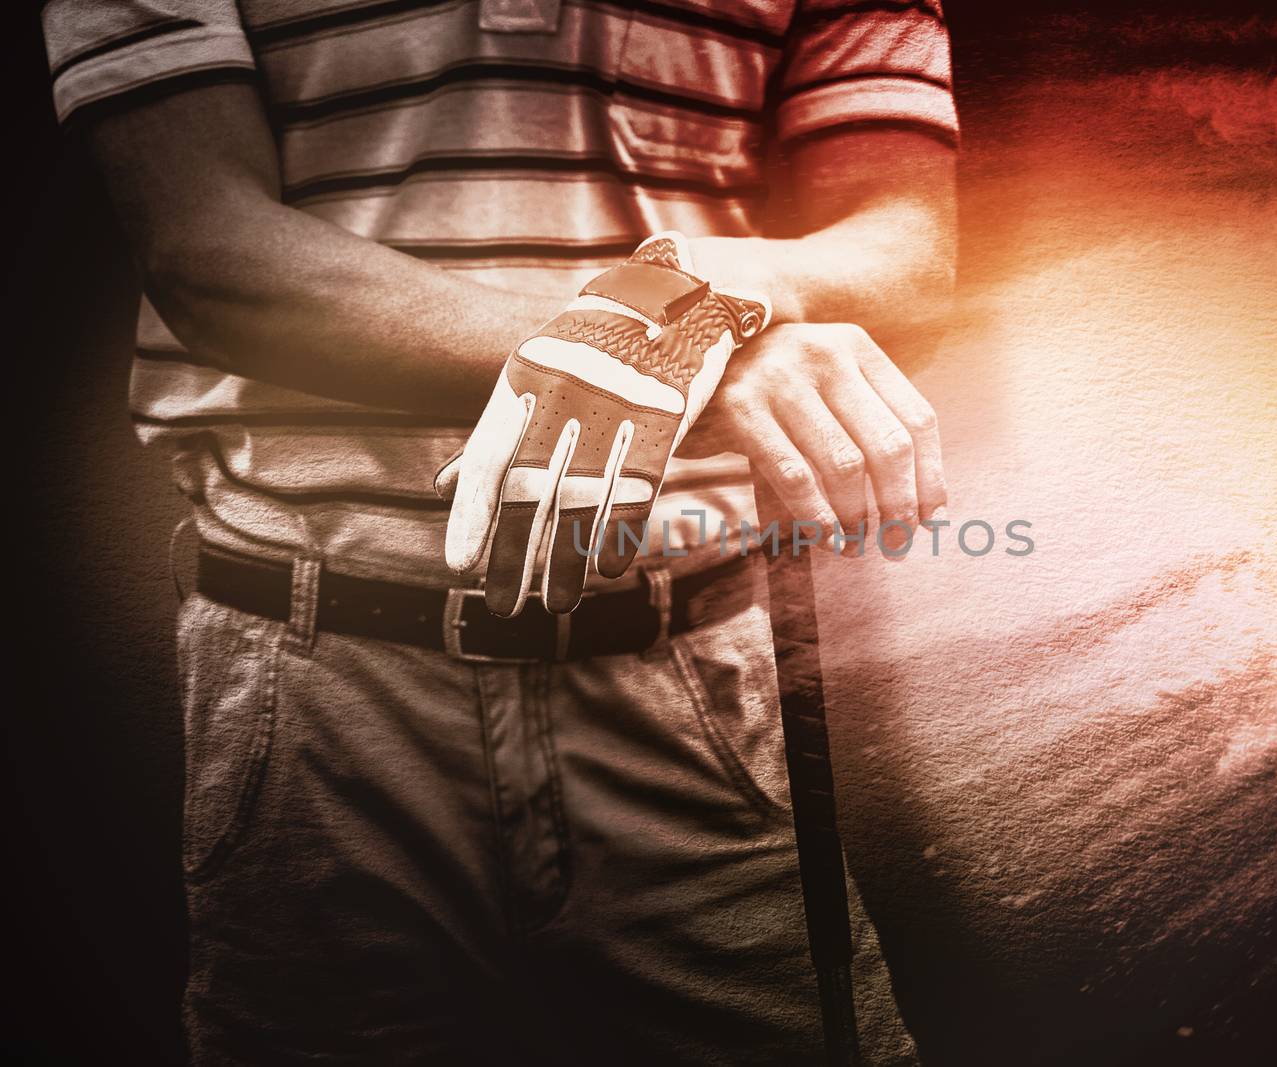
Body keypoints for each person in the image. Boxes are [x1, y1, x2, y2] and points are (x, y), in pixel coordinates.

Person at [43, 0, 956, 1061]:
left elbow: (908, 247)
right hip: (325, 698)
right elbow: (209, 250)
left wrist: (710, 299)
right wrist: (642, 338)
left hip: (686, 671)